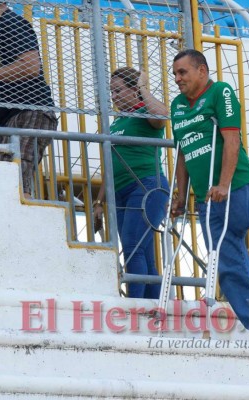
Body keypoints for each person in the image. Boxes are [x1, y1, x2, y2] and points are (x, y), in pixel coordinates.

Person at [170, 49, 249, 342]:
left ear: (202, 71)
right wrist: (182, 196)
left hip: (235, 189)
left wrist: (223, 184)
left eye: (183, 72)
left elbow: (232, 139)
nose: (177, 79)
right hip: (208, 197)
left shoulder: (220, 91)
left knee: (230, 266)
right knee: (229, 268)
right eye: (175, 74)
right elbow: (183, 152)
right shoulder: (178, 106)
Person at [0, 0, 57, 198]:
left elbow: (31, 67)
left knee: (16, 181)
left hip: (32, 110)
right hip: (7, 117)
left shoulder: (12, 23)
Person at [93, 66, 169, 299]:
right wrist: (99, 201)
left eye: (118, 91)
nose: (113, 96)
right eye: (111, 92)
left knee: (133, 246)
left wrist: (143, 88)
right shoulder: (118, 121)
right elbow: (110, 162)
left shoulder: (145, 112)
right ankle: (154, 306)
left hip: (146, 186)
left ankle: (135, 305)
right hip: (121, 191)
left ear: (133, 89)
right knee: (142, 252)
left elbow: (162, 116)